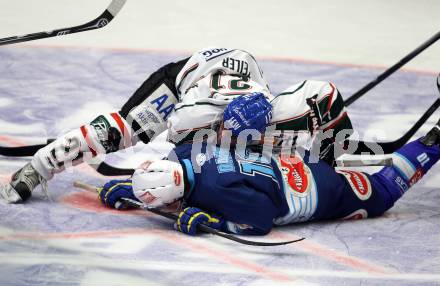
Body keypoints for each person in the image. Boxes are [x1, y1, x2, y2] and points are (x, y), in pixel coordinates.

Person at [0, 47, 352, 203]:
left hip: (240, 74)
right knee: (123, 131)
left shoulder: (279, 112)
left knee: (262, 154)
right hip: (185, 79)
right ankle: (38, 168)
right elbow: (180, 168)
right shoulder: (189, 120)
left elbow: (327, 95)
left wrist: (331, 162)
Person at [96, 89, 440, 236]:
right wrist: (132, 191)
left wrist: (214, 224)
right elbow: (169, 183)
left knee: (381, 189)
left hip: (321, 193)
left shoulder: (219, 193)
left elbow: (260, 219)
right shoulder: (184, 154)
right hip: (299, 163)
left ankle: (434, 144)